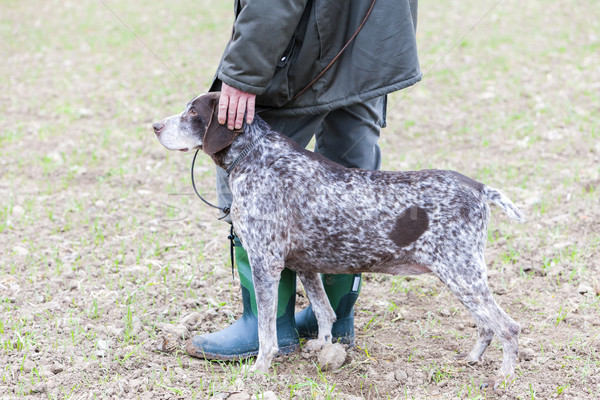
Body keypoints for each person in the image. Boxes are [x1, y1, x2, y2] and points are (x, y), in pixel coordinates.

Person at [185, 0, 421, 361]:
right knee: (350, 178)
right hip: (373, 43)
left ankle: (267, 326)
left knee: (251, 166)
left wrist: (244, 72)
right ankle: (336, 317)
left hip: (303, 49)